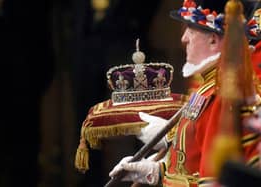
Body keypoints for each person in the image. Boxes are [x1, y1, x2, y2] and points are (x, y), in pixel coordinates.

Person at [108, 0, 261, 186]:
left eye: (191, 29)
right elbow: (190, 163)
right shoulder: (207, 87)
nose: (184, 38)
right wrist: (157, 171)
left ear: (213, 39)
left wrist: (159, 176)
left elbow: (213, 182)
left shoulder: (222, 96)